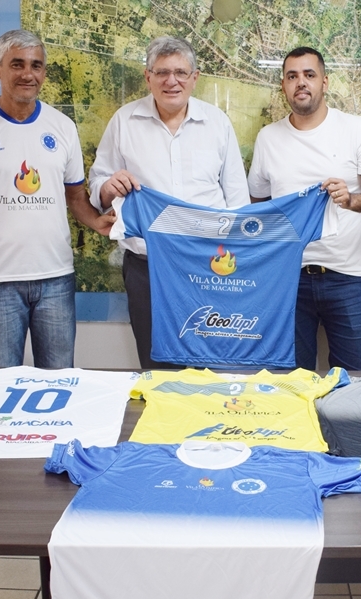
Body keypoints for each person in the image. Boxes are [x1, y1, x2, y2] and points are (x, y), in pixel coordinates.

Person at [0, 29, 111, 371]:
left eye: (36, 65)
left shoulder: (62, 127)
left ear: (44, 73)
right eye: (16, 64)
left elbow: (76, 199)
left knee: (59, 382)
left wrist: (98, 221)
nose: (27, 74)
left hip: (56, 278)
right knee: (0, 389)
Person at [89, 36, 249, 369]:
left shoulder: (217, 123)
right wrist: (107, 186)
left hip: (208, 266)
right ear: (147, 77)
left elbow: (237, 200)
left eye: (180, 72)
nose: (171, 81)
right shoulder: (124, 121)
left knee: (212, 360)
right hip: (146, 266)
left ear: (195, 77)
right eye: (161, 72)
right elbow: (98, 184)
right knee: (156, 361)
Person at [248, 47, 361, 371]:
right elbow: (258, 206)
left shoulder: (356, 130)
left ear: (325, 82)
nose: (300, 83)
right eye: (292, 76)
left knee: (354, 381)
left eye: (309, 75)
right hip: (287, 280)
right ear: (284, 85)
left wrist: (353, 200)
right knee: (290, 380)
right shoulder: (268, 138)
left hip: (348, 279)